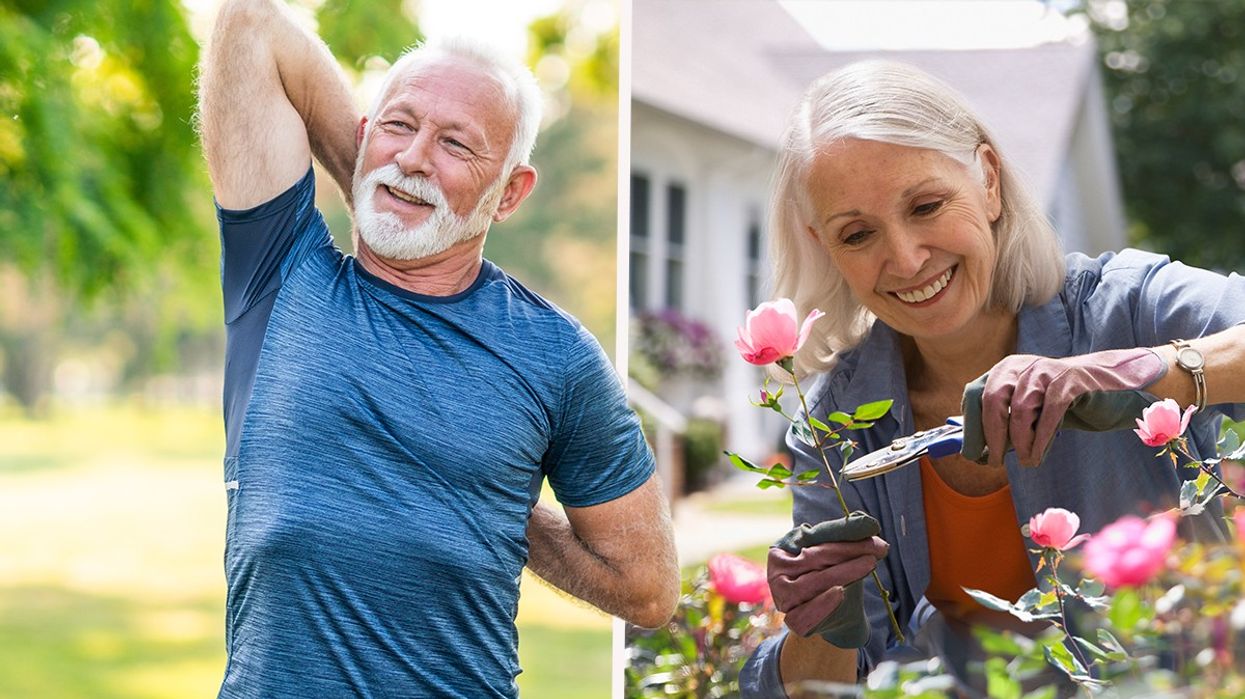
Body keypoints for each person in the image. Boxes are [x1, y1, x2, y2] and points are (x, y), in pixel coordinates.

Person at [196, 1, 679, 696]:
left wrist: (495, 503)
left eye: (456, 145)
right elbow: (250, 25)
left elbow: (648, 589)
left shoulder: (555, 355)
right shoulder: (278, 272)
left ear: (509, 192)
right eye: (398, 125)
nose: (416, 156)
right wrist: (375, 176)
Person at [739, 60, 1245, 697]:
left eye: (926, 205)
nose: (905, 257)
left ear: (989, 181)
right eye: (858, 233)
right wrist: (818, 625)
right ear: (824, 246)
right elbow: (827, 683)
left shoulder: (1127, 309)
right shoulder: (837, 427)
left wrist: (1154, 369)